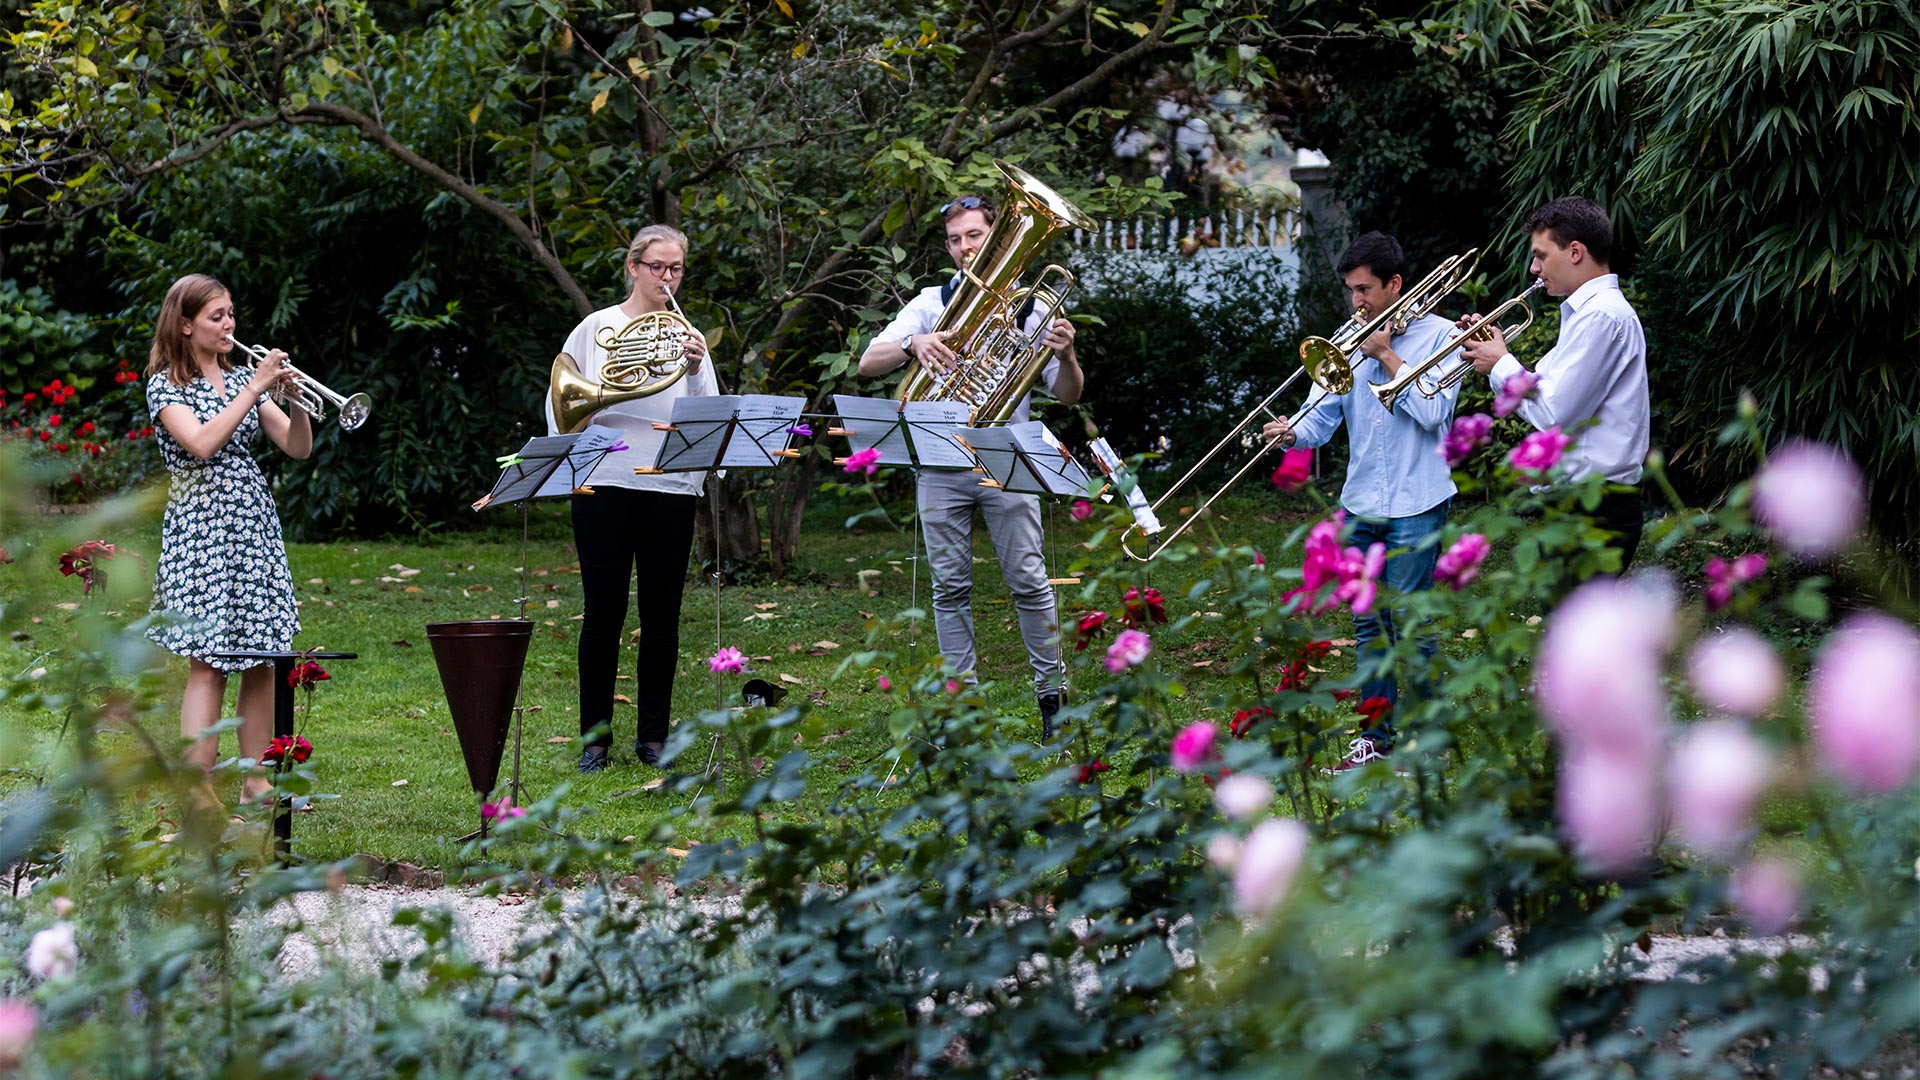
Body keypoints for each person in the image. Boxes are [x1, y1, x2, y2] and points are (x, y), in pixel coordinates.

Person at [858, 194, 1084, 739]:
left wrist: (1068, 355)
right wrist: (914, 344)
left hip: (1006, 457)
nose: (964, 248)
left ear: (996, 238)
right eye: (956, 239)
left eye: (975, 236)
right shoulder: (930, 303)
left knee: (1030, 583)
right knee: (949, 588)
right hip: (940, 462)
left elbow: (1071, 396)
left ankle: (1052, 699)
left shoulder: (1033, 309)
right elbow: (867, 363)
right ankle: (964, 705)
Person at [1260, 232, 1460, 773]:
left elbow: (1435, 413)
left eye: (1365, 289)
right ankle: (1376, 737)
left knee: (1408, 621)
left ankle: (1432, 736)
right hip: (1361, 501)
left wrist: (1388, 356)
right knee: (1369, 623)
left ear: (1395, 284)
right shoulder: (1347, 338)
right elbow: (1320, 418)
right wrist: (1291, 433)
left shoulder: (1445, 336)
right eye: (1351, 290)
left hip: (1418, 500)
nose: (1357, 302)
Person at [547, 224, 718, 773]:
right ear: (633, 267)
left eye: (676, 269)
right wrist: (588, 415)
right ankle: (594, 741)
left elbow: (710, 415)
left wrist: (693, 370)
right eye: (657, 267)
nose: (667, 278)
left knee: (662, 617)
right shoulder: (596, 329)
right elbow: (561, 406)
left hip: (668, 485)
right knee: (603, 613)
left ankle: (652, 739)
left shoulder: (688, 335)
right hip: (606, 481)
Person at [144, 273, 311, 805]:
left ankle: (256, 782)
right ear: (185, 323)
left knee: (262, 657)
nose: (229, 325)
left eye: (231, 314)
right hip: (200, 529)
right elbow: (201, 443)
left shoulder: (243, 379)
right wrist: (257, 387)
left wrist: (298, 401)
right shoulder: (165, 386)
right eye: (216, 316)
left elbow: (296, 447)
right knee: (209, 662)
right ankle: (198, 791)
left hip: (251, 525)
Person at [1458, 195, 1651, 570]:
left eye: (1541, 255)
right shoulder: (1589, 315)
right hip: (1582, 504)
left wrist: (1500, 364)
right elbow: (1545, 393)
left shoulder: (1602, 317)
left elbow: (1553, 413)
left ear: (1575, 251)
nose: (1534, 268)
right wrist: (1493, 351)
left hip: (1594, 508)